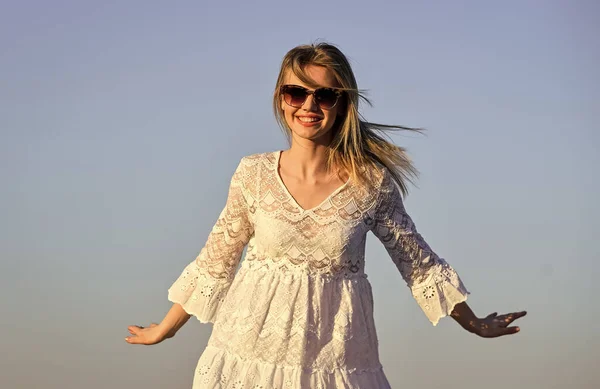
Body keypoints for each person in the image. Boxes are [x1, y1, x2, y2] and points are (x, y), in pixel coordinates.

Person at [125, 42, 526, 388]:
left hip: (335, 365)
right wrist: (164, 329)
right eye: (295, 93)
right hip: (247, 359)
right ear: (281, 98)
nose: (309, 106)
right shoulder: (253, 173)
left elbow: (418, 264)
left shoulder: (371, 184)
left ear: (342, 104)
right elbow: (216, 260)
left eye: (325, 95)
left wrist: (473, 323)